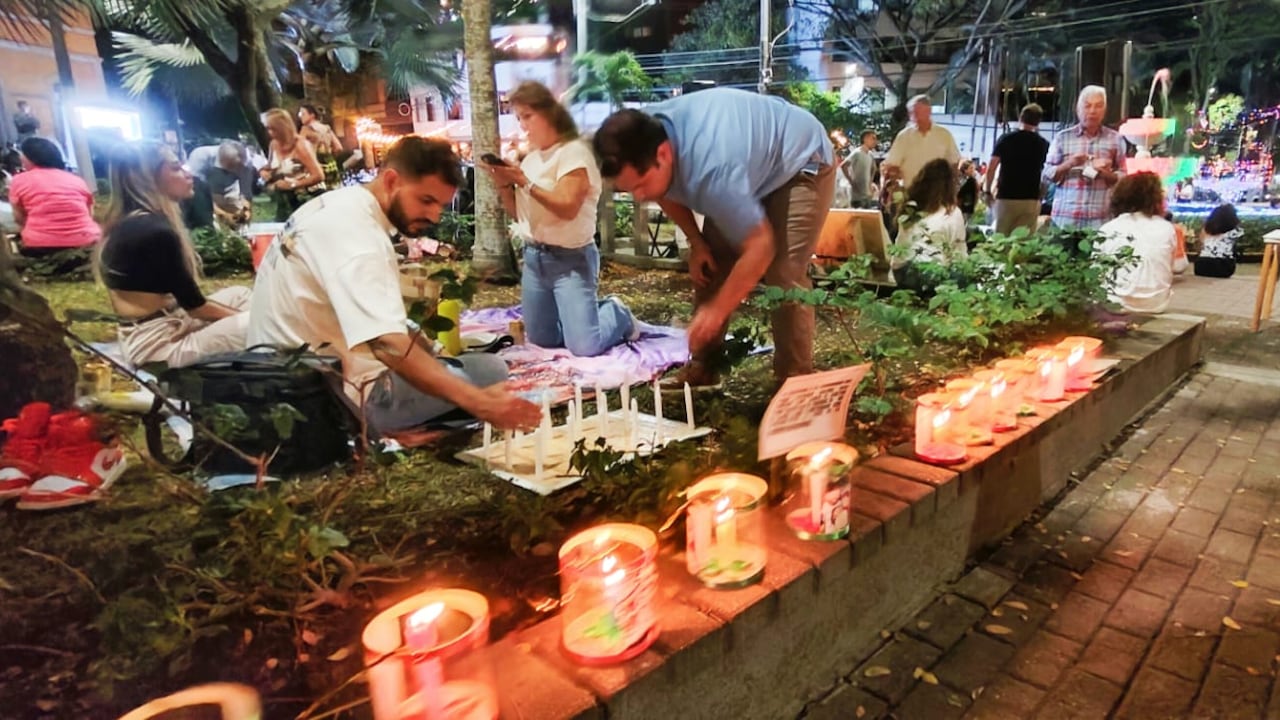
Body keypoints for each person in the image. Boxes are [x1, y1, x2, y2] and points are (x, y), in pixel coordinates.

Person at [247, 136, 541, 435]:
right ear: (390, 181)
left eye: (440, 204)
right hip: (329, 398)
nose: (434, 215)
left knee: (453, 367)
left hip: (283, 379)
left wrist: (430, 354)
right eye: (426, 200)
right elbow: (388, 345)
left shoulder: (339, 205)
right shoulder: (359, 239)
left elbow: (388, 328)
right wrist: (480, 403)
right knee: (491, 370)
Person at [593, 87, 835, 387]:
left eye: (640, 185)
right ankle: (704, 368)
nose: (640, 197)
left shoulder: (713, 169)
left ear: (664, 154)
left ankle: (795, 381)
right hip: (748, 160)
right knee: (712, 262)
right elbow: (663, 189)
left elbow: (760, 247)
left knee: (783, 272)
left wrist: (717, 311)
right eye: (630, 190)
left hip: (799, 159)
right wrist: (697, 243)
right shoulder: (644, 134)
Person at [480, 81, 638, 357]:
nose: (523, 125)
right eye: (519, 118)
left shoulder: (574, 152)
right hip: (534, 258)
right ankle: (584, 315)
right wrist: (505, 184)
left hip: (571, 260)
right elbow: (521, 215)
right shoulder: (531, 159)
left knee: (584, 347)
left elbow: (567, 207)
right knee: (543, 340)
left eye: (528, 116)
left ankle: (617, 311)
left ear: (549, 113)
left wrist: (523, 182)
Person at [94, 141, 252, 367]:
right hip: (157, 347)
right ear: (150, 178)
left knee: (241, 295)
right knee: (265, 325)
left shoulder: (132, 221)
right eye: (176, 168)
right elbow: (197, 307)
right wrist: (248, 323)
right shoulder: (156, 232)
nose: (188, 174)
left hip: (167, 322)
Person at [1044, 86, 1125, 229]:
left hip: (1100, 221)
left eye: (1098, 106)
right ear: (1078, 109)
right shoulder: (1062, 138)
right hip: (1064, 219)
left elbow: (1123, 177)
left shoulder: (1115, 139)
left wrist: (1104, 174)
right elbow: (1047, 175)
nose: (1092, 111)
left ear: (1104, 110)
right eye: (1087, 106)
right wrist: (1071, 163)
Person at [1097, 172, 1178, 313]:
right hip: (1156, 305)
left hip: (1114, 305)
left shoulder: (1108, 229)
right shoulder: (1167, 228)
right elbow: (1174, 267)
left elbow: (1097, 273)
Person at [7, 137, 100, 257]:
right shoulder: (76, 180)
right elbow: (89, 214)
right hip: (88, 242)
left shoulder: (19, 180)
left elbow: (19, 218)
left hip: (40, 246)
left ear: (29, 158)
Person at [891, 159, 968, 295]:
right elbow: (958, 254)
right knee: (961, 272)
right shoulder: (952, 211)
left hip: (901, 270)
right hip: (930, 276)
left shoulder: (910, 207)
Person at [984, 103, 1050, 236]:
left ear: (1020, 118)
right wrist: (1042, 194)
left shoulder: (1006, 139)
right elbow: (1046, 174)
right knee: (1023, 243)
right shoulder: (1043, 144)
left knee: (1001, 239)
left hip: (1006, 197)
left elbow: (991, 168)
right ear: (1038, 122)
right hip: (1031, 199)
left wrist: (987, 191)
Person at [882, 95, 961, 191]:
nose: (914, 116)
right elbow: (892, 165)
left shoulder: (944, 135)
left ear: (928, 111)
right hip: (911, 190)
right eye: (912, 113)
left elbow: (954, 162)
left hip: (937, 193)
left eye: (917, 111)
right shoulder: (904, 136)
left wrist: (952, 188)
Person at [259, 108, 325, 221]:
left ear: (282, 128)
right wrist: (264, 172)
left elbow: (319, 175)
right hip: (285, 201)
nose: (269, 133)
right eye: (268, 129)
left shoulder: (301, 145)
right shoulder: (273, 144)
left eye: (272, 129)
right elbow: (270, 167)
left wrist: (294, 185)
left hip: (307, 199)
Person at [298, 104, 343, 189]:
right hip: (331, 165)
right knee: (334, 194)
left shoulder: (305, 129)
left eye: (302, 114)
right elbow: (339, 147)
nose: (300, 117)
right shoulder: (327, 128)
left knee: (318, 196)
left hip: (316, 167)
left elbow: (300, 149)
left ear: (312, 115)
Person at [1193, 203, 1241, 278]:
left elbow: (1200, 246)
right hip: (1223, 267)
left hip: (1201, 266)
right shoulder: (1235, 231)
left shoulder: (1206, 229)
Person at [845, 130, 878, 207]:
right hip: (857, 196)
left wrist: (870, 183)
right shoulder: (857, 152)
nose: (875, 141)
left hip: (867, 195)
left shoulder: (870, 154)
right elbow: (844, 165)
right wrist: (851, 182)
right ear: (865, 139)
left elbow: (874, 169)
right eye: (872, 138)